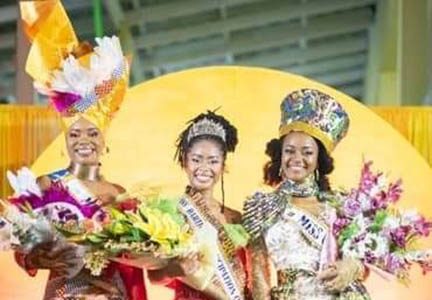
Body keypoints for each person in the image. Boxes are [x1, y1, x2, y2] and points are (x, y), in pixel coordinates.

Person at [14, 1, 147, 299]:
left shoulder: (119, 192)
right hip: (67, 292)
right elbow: (24, 245)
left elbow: (137, 257)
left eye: (91, 133)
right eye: (74, 133)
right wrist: (38, 256)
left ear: (104, 141)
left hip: (113, 292)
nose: (83, 140)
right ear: (66, 140)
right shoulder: (48, 184)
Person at [243, 89, 370, 300]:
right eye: (290, 150)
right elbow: (258, 275)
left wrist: (351, 267)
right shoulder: (261, 206)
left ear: (319, 158)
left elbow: (364, 263)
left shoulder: (340, 206)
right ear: (280, 154)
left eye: (307, 152)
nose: (297, 158)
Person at [148, 111, 250, 300]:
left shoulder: (235, 218)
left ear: (223, 166)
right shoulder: (171, 212)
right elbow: (153, 276)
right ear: (184, 162)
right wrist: (173, 270)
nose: (204, 168)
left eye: (213, 161)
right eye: (196, 160)